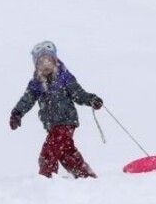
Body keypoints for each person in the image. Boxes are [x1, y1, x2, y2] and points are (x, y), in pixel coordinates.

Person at [8, 40, 103, 179]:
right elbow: (27, 99)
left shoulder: (64, 77)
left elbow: (78, 93)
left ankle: (46, 177)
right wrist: (17, 113)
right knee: (66, 153)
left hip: (66, 121)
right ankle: (86, 176)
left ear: (55, 60)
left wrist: (91, 99)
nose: (46, 65)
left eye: (49, 61)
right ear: (36, 65)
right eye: (41, 62)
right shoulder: (36, 83)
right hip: (52, 125)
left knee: (49, 150)